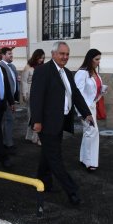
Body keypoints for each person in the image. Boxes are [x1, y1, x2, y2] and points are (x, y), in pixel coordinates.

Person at [30, 41, 93, 205]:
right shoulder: (43, 71)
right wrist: (36, 121)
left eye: (67, 54)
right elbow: (36, 97)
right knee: (56, 158)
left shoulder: (67, 72)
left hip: (60, 122)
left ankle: (43, 182)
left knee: (48, 155)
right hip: (46, 123)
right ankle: (73, 192)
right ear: (53, 54)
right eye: (62, 54)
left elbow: (76, 94)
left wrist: (86, 113)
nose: (65, 57)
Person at [75, 49, 106, 172]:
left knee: (89, 132)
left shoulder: (94, 72)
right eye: (96, 59)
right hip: (85, 109)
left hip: (92, 106)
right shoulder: (82, 73)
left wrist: (101, 91)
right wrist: (83, 112)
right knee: (92, 132)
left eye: (99, 59)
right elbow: (77, 94)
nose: (98, 62)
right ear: (90, 59)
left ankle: (84, 159)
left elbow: (93, 91)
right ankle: (89, 162)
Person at [21, 49, 45, 145]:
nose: (41, 60)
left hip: (41, 93)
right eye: (40, 58)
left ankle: (35, 137)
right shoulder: (28, 67)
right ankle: (34, 137)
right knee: (32, 116)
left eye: (43, 58)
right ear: (35, 57)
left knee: (40, 115)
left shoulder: (43, 67)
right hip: (31, 94)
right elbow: (24, 81)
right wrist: (25, 94)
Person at [0, 47, 19, 154]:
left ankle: (5, 141)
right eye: (9, 54)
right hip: (5, 99)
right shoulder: (1, 66)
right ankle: (8, 143)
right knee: (8, 120)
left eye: (12, 53)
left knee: (8, 120)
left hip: (11, 99)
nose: (11, 55)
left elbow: (14, 81)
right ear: (3, 55)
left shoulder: (11, 66)